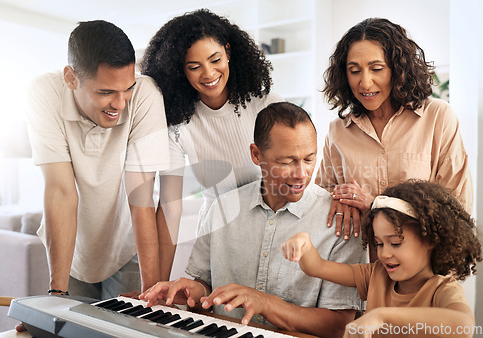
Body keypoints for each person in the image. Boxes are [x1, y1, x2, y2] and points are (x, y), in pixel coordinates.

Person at [140, 102, 366, 338]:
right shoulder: (222, 208)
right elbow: (203, 287)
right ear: (256, 155)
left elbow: (339, 326)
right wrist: (190, 291)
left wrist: (266, 304)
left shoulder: (342, 222)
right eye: (286, 162)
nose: (301, 173)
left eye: (309, 159)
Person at [26, 20, 170, 301]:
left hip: (126, 249)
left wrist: (152, 296)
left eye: (126, 88)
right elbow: (60, 191)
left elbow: (141, 196)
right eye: (105, 92)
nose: (120, 103)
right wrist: (57, 293)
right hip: (70, 249)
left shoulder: (145, 95)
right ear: (71, 78)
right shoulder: (44, 93)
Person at [139, 9, 284, 282]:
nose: (208, 74)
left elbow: (295, 172)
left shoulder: (267, 105)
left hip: (273, 224)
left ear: (228, 52)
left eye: (215, 59)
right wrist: (158, 284)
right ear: (179, 71)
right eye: (194, 67)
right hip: (219, 234)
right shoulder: (178, 124)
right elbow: (170, 207)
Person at [316, 17, 473, 241]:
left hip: (423, 269)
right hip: (359, 267)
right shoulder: (338, 131)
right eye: (354, 70)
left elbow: (457, 210)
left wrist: (374, 205)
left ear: (398, 69)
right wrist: (338, 201)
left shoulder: (437, 118)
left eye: (376, 68)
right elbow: (322, 202)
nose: (365, 83)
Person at [282, 179, 481, 338]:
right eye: (378, 243)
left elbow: (463, 325)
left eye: (395, 243)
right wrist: (305, 243)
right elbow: (317, 267)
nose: (384, 254)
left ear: (430, 240)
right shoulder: (377, 274)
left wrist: (383, 316)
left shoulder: (442, 289)